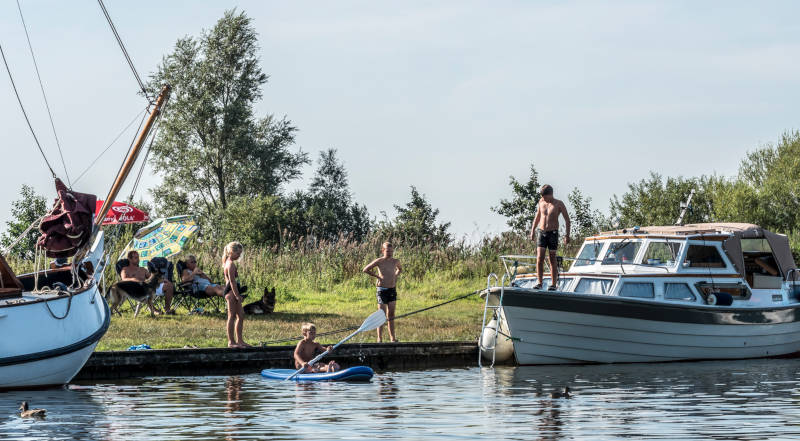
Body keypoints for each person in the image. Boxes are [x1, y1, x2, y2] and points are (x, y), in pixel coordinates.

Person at [529, 184, 570, 291]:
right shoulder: (541, 202)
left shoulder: (559, 204)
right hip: (541, 232)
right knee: (539, 258)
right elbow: (537, 217)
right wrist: (532, 230)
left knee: (552, 258)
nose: (543, 198)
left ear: (550, 194)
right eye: (542, 196)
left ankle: (553, 284)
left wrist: (567, 235)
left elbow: (567, 220)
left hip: (553, 233)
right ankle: (539, 283)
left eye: (545, 196)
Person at [362, 241, 402, 342]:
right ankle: (379, 338)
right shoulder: (379, 261)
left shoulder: (395, 261)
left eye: (391, 251)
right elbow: (365, 269)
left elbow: (400, 269)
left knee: (391, 314)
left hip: (392, 289)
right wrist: (378, 277)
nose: (390, 253)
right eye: (388, 251)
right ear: (383, 251)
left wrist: (395, 275)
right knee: (381, 315)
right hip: (382, 290)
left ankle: (392, 337)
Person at [120, 250, 175, 314]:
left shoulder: (143, 269)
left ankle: (167, 309)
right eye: (136, 258)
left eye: (138, 257)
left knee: (169, 285)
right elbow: (124, 279)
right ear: (129, 259)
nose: (138, 260)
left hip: (149, 287)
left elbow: (151, 278)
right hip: (136, 290)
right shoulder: (125, 269)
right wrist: (135, 280)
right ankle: (154, 310)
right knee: (145, 292)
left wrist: (161, 279)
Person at [223, 241, 250, 348]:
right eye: (238, 253)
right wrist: (237, 295)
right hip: (231, 293)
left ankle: (240, 340)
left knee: (241, 315)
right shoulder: (230, 264)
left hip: (234, 292)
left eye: (240, 253)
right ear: (231, 252)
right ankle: (231, 342)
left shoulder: (230, 262)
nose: (239, 255)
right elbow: (232, 282)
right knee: (232, 316)